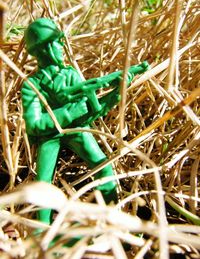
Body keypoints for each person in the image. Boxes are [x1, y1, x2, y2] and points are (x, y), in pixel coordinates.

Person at [22, 18, 149, 225]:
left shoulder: (71, 74)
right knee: (42, 183)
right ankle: (42, 228)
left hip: (78, 130)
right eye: (56, 42)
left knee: (103, 167)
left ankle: (111, 218)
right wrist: (68, 112)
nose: (62, 46)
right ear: (42, 49)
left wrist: (117, 93)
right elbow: (34, 125)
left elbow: (93, 111)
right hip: (50, 136)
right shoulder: (31, 85)